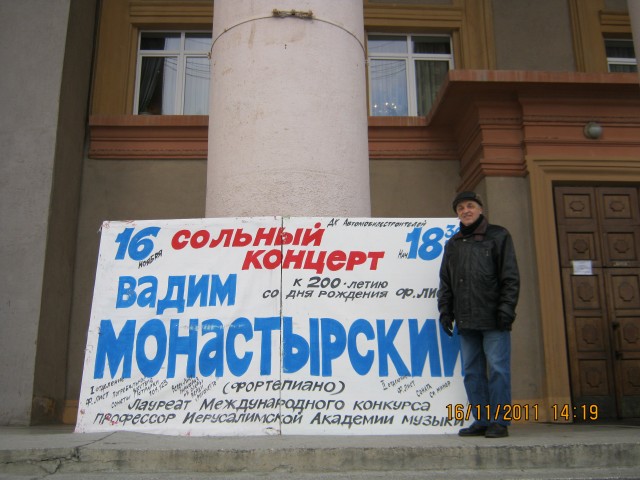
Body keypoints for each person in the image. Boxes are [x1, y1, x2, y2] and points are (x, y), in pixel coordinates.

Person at [437, 191, 520, 438]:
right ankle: (482, 420)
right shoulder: (453, 244)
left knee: (498, 370)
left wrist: (506, 309)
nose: (466, 211)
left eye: (470, 206)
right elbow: (446, 281)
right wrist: (445, 311)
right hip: (465, 319)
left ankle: (500, 422)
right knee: (472, 371)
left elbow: (510, 277)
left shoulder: (499, 235)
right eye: (460, 208)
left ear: (480, 209)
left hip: (494, 318)